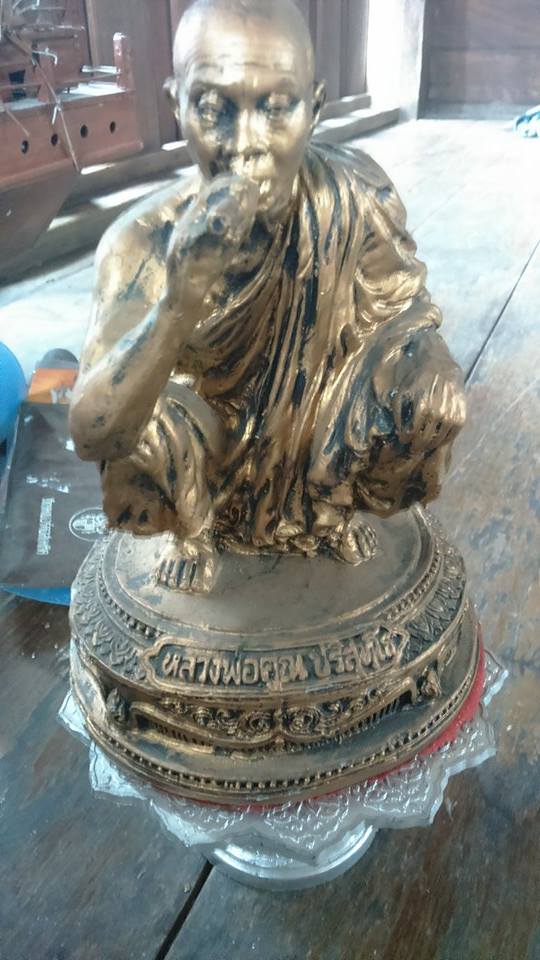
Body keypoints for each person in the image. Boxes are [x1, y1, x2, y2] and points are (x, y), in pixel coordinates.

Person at [69, 0, 466, 591]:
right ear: (176, 104)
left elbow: (403, 318)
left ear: (315, 108)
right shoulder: (140, 243)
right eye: (213, 109)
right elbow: (92, 430)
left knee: (407, 394)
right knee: (143, 412)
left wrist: (433, 373)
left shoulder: (352, 201)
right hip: (197, 455)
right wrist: (178, 301)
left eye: (276, 108)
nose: (244, 144)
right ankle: (196, 529)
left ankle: (327, 513)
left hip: (315, 440)